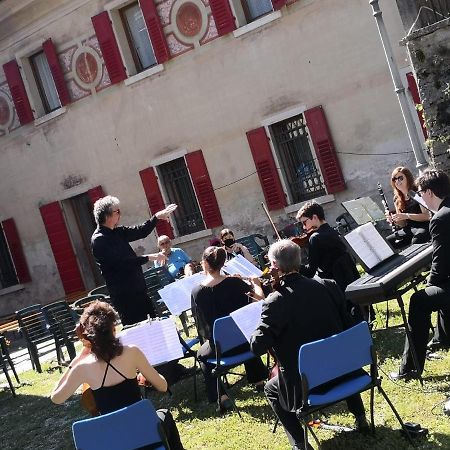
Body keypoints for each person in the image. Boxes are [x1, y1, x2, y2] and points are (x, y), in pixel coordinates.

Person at [250, 240, 368, 450]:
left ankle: (300, 444)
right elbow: (348, 328)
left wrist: (259, 303)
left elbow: (257, 346)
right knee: (335, 350)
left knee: (270, 388)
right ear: (300, 260)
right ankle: (360, 417)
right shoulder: (329, 285)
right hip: (346, 370)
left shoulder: (274, 302)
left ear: (275, 266)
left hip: (307, 386)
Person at [50, 301, 185, 450]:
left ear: (89, 337)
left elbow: (56, 398)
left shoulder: (82, 367)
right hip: (143, 434)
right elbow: (163, 386)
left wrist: (76, 361)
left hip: (113, 442)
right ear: (113, 328)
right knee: (165, 414)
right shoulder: (132, 352)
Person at [391, 169, 450, 381]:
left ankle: (409, 369)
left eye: (422, 192)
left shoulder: (441, 218)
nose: (420, 196)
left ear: (430, 193)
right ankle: (443, 338)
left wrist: (430, 282)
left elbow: (442, 263)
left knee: (419, 300)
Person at [191, 246, 267, 411]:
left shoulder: (197, 291)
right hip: (246, 343)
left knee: (201, 355)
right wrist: (256, 284)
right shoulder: (235, 282)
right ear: (223, 263)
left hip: (220, 349)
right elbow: (259, 300)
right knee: (240, 330)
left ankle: (222, 396)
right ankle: (259, 380)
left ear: (204, 263)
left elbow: (201, 326)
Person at [91, 196, 177, 326]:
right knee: (138, 332)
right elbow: (122, 263)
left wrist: (156, 217)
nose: (120, 214)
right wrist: (149, 257)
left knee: (152, 326)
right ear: (107, 215)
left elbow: (141, 231)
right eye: (117, 211)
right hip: (125, 295)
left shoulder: (118, 232)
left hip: (138, 289)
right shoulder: (99, 240)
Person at [296, 201, 365, 320]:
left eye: (304, 222)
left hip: (334, 287)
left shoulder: (315, 238)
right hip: (348, 280)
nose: (304, 227)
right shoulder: (334, 232)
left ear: (314, 217)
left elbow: (310, 272)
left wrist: (294, 265)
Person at [385, 166, 430, 249]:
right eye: (394, 179)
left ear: (408, 178)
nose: (397, 181)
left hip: (425, 226)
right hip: (409, 228)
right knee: (387, 243)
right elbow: (403, 224)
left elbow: (427, 216)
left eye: (400, 178)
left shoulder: (417, 192)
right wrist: (394, 219)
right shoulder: (396, 198)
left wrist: (406, 215)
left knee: (416, 241)